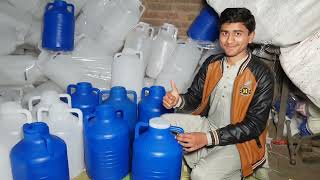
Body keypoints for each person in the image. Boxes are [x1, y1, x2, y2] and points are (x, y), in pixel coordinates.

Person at [162, 8, 274, 180]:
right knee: (162, 123)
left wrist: (207, 139)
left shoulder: (262, 74)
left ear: (250, 36)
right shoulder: (212, 63)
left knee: (200, 175)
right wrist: (178, 101)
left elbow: (254, 125)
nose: (229, 40)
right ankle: (196, 159)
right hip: (210, 125)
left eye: (238, 33)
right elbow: (194, 98)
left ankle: (245, 167)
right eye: (225, 33)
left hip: (241, 142)